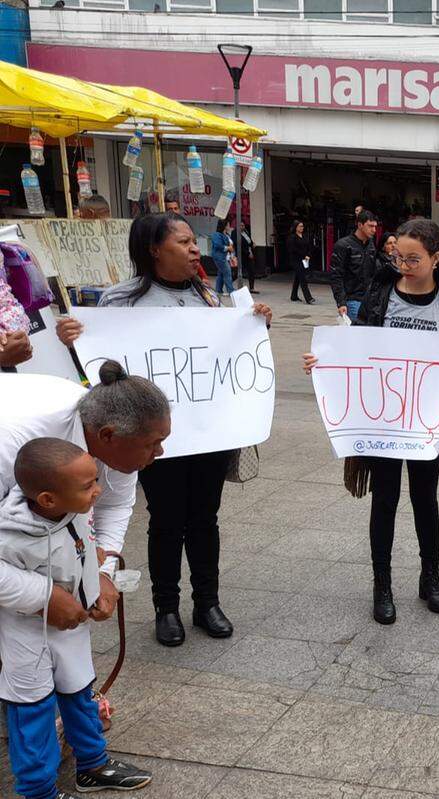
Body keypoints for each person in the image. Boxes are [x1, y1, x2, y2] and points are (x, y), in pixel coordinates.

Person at [57, 213, 274, 647]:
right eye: (184, 241)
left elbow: (226, 355)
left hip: (207, 432)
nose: (196, 249)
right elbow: (99, 368)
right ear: (154, 249)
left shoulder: (208, 297)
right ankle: (166, 608)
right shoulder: (120, 302)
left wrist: (256, 325)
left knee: (205, 518)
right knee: (166, 520)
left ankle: (207, 602)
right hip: (151, 439)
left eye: (195, 242)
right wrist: (73, 339)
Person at [301, 219, 439, 624]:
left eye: (414, 258)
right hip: (384, 422)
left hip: (427, 425)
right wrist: (324, 362)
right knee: (385, 501)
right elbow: (356, 346)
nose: (404, 265)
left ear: (435, 258)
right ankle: (382, 583)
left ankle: (430, 577)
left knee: (425, 500)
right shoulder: (380, 296)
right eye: (399, 257)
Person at [0, 438, 153, 798]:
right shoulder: (9, 538)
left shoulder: (76, 511)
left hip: (70, 628)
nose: (98, 491)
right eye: (88, 486)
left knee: (80, 692)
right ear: (48, 499)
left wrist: (97, 589)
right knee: (31, 712)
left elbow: (87, 554)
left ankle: (93, 764)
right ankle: (37, 791)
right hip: (25, 636)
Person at [0, 368, 170, 636]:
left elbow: (115, 504)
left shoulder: (109, 426)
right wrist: (41, 597)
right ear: (107, 436)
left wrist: (101, 572)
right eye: (153, 444)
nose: (160, 452)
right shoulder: (10, 446)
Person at [330, 209, 379, 321]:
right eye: (370, 226)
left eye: (375, 226)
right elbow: (336, 275)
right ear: (360, 225)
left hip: (370, 299)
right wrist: (341, 302)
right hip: (352, 300)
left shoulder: (371, 245)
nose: (374, 230)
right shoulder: (343, 245)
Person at [288, 220, 316, 304]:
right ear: (295, 227)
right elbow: (293, 249)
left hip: (304, 259)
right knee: (302, 278)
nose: (302, 228)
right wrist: (304, 255)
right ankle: (308, 298)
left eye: (302, 226)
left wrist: (308, 255)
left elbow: (309, 247)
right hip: (296, 260)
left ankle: (293, 296)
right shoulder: (292, 237)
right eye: (300, 226)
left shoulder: (304, 236)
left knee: (298, 277)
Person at [210, 217, 235, 297]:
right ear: (224, 226)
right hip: (219, 257)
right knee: (227, 273)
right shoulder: (217, 235)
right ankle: (230, 291)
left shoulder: (226, 234)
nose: (229, 226)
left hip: (225, 257)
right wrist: (228, 248)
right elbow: (217, 245)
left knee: (221, 273)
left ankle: (218, 290)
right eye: (228, 225)